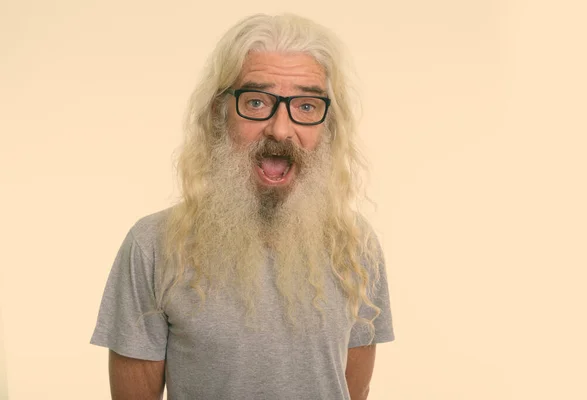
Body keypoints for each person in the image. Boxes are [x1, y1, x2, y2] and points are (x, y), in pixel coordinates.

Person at [91, 13, 394, 400]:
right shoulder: (152, 246)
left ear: (327, 124)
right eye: (256, 101)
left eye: (305, 106)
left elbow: (354, 390)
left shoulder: (355, 246)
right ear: (220, 113)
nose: (280, 129)